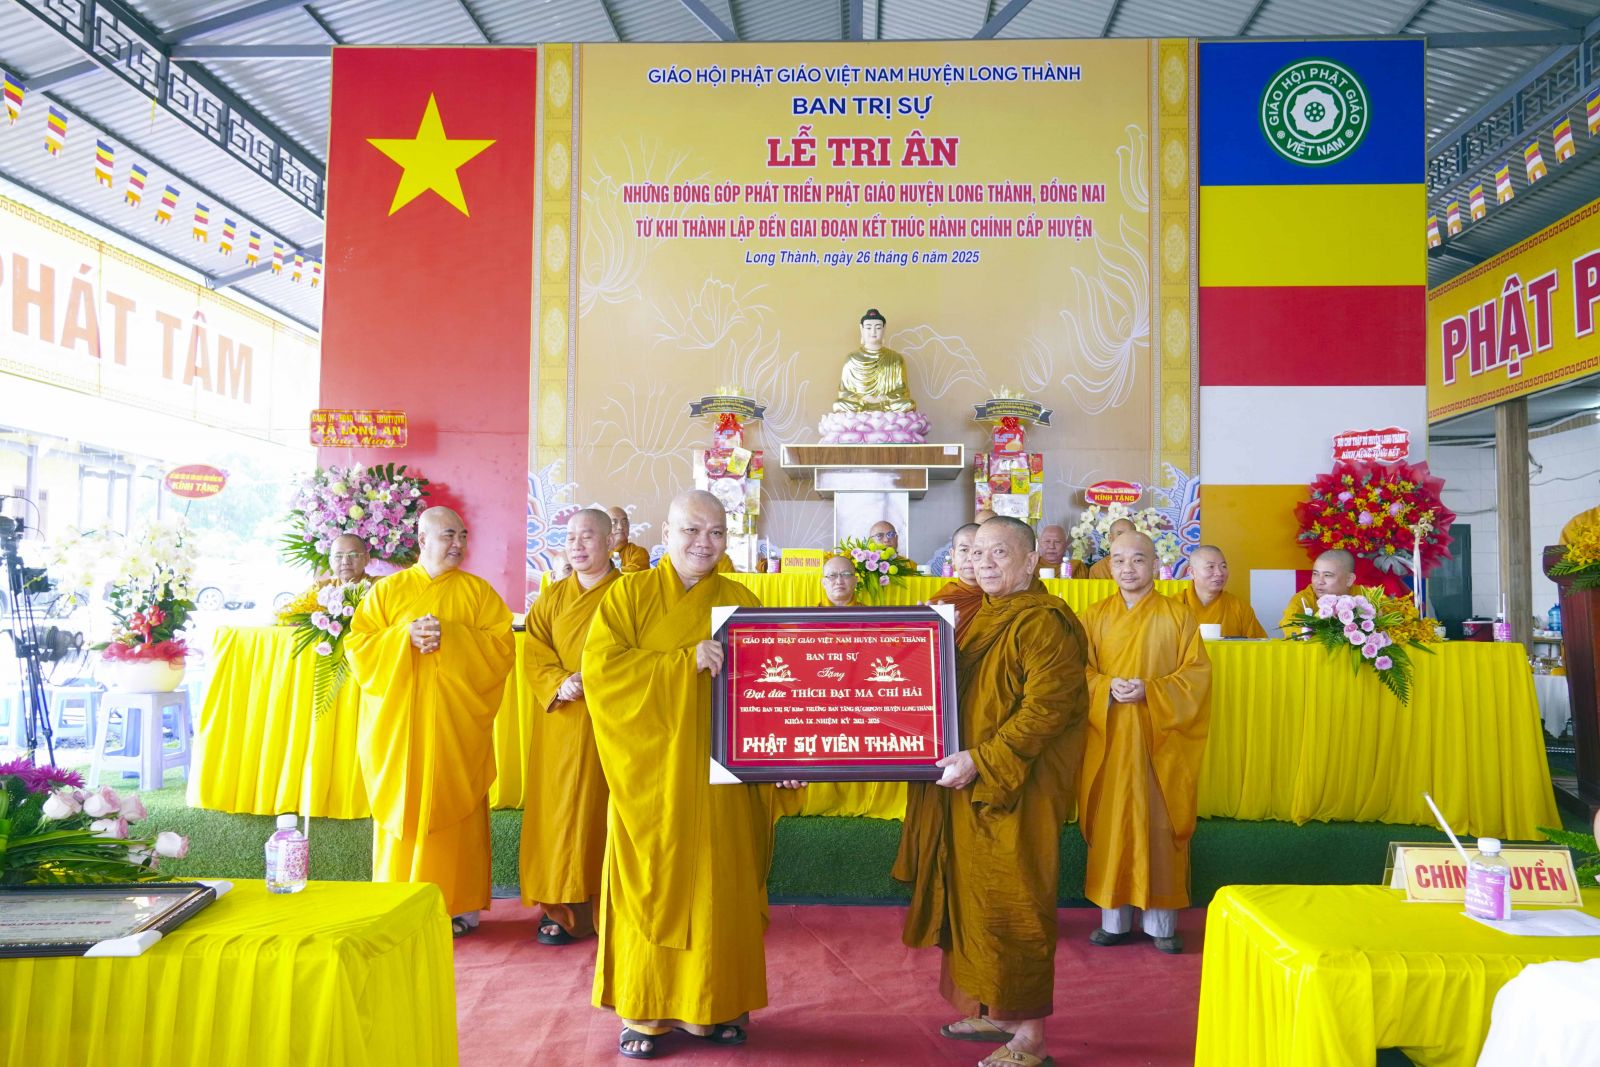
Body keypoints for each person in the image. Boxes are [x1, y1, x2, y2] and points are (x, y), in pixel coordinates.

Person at [583, 489, 800, 1058]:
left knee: (719, 888)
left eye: (717, 533)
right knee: (651, 885)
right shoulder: (628, 595)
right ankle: (646, 1013)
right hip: (650, 778)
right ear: (666, 534)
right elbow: (602, 674)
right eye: (692, 531)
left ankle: (717, 1006)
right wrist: (683, 663)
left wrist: (785, 755)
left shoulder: (741, 601)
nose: (705, 543)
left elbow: (770, 689)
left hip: (722, 778)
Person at [895, 517, 1089, 1067]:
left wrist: (983, 760)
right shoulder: (977, 613)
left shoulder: (1043, 621)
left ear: (1030, 561)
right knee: (974, 895)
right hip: (966, 782)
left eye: (999, 552)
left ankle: (1031, 1036)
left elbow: (1047, 710)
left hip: (1016, 786)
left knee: (1016, 899)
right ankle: (996, 1009)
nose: (984, 562)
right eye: (977, 552)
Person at [347, 506, 515, 938]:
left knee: (455, 803)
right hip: (400, 728)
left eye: (463, 535)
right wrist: (403, 637)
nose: (458, 543)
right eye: (448, 535)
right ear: (422, 540)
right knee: (403, 803)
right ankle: (396, 899)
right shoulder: (388, 592)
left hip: (454, 728)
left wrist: (451, 636)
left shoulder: (478, 593)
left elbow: (501, 650)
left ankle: (457, 906)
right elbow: (359, 649)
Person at [1079, 531, 1211, 954]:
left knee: (1159, 825)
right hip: (1111, 739)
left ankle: (1161, 924)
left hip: (1161, 743)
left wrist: (1151, 691)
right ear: (1108, 567)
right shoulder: (1093, 616)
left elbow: (1197, 676)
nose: (1128, 568)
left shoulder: (1179, 616)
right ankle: (1113, 920)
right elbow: (1077, 672)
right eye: (1118, 560)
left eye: (1138, 559)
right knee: (1112, 823)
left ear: (1156, 565)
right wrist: (1105, 686)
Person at [518, 508, 619, 946]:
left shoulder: (631, 593)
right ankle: (559, 909)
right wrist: (560, 682)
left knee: (605, 810)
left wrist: (598, 679)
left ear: (610, 541)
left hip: (612, 721)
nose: (577, 545)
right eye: (571, 537)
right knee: (559, 813)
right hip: (562, 718)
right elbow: (534, 651)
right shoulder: (553, 597)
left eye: (588, 536)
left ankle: (611, 907)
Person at [833, 307, 915, 412]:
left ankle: (869, 414)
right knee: (839, 404)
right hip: (860, 404)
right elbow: (844, 392)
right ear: (861, 329)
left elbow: (903, 391)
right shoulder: (851, 359)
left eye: (878, 327)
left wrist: (883, 398)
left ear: (884, 329)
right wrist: (863, 399)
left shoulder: (896, 358)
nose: (873, 332)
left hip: (886, 404)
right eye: (868, 327)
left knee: (909, 404)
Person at [1181, 545, 1267, 638]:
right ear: (1192, 572)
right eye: (1211, 566)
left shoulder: (1240, 608)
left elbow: (1258, 644)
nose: (1219, 573)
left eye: (1223, 566)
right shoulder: (1175, 605)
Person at [1279, 548, 1357, 635]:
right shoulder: (1303, 599)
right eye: (1315, 574)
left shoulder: (1363, 596)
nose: (1319, 581)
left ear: (1349, 579)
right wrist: (1308, 631)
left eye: (1327, 575)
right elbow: (1290, 625)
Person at [929, 522, 984, 644]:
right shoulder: (943, 601)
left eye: (978, 551)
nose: (970, 558)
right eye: (964, 550)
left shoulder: (1000, 598)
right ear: (953, 556)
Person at [608, 506, 651, 572]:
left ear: (628, 526)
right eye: (614, 523)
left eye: (624, 522)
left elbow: (636, 573)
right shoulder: (596, 553)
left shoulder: (637, 552)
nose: (620, 527)